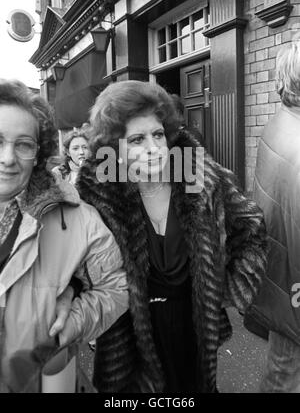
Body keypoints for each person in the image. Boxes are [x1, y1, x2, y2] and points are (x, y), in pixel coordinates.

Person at [76, 80, 268, 393]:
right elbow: (73, 271)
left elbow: (251, 227)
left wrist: (227, 289)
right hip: (129, 341)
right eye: (137, 139)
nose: (153, 148)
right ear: (115, 150)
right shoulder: (97, 197)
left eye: (157, 134)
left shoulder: (201, 178)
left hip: (194, 329)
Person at [0, 79, 128, 392]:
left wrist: (73, 320)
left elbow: (115, 286)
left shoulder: (78, 218)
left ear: (39, 151)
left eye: (23, 144)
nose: (8, 158)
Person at [248, 41, 300, 393]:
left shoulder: (279, 124)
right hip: (292, 288)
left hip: (281, 281)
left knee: (283, 369)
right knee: (286, 376)